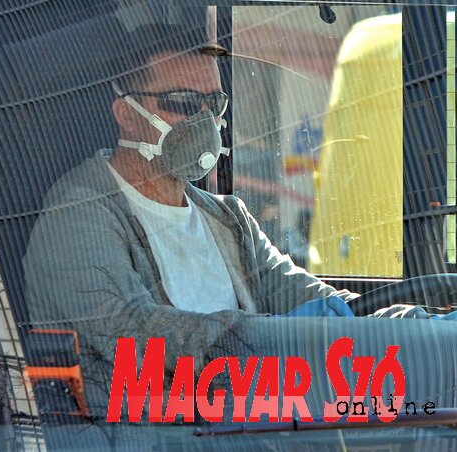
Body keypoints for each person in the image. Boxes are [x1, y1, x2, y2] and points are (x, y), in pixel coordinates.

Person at [22, 21, 356, 418]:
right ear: (126, 114)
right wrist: (269, 337)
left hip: (258, 429)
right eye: (183, 102)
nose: (205, 120)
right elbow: (132, 333)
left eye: (214, 104)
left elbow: (310, 298)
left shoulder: (229, 219)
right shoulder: (76, 217)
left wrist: (408, 319)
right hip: (151, 438)